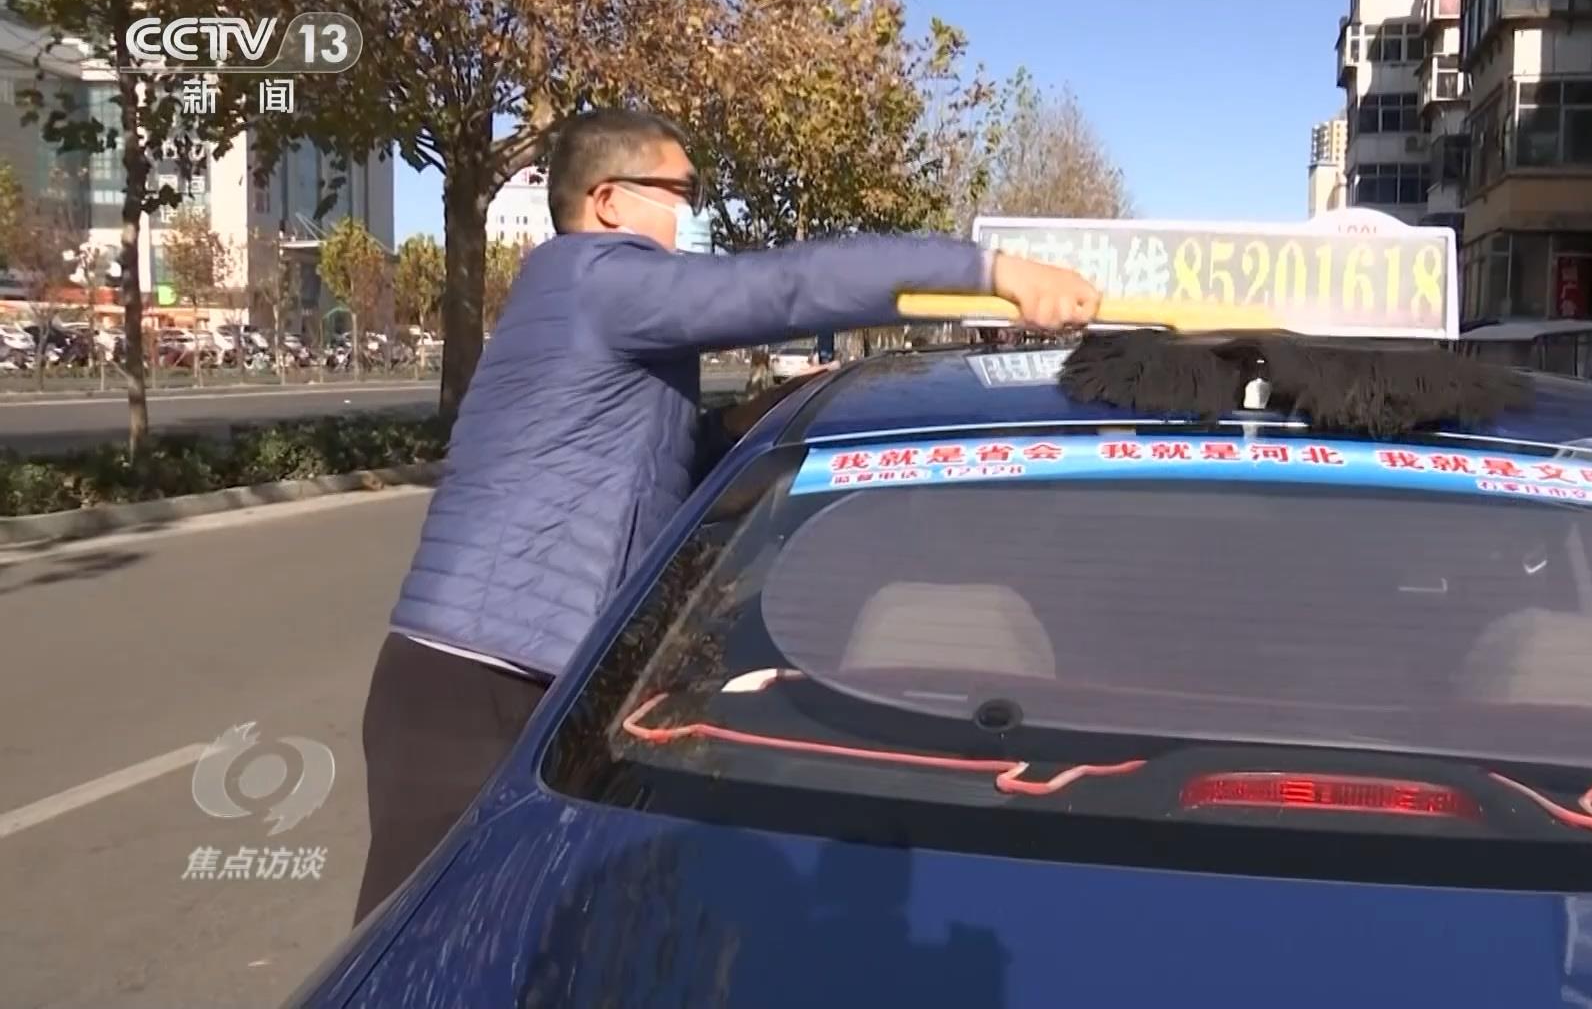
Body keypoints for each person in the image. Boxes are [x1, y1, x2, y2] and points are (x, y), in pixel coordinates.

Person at [354, 108, 1101, 922]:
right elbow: (790, 285)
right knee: (419, 934)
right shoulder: (603, 278)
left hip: (527, 675)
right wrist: (996, 270)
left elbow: (654, 467)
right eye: (679, 192)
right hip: (474, 685)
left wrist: (761, 417)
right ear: (607, 200)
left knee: (518, 933)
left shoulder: (589, 302)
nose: (689, 213)